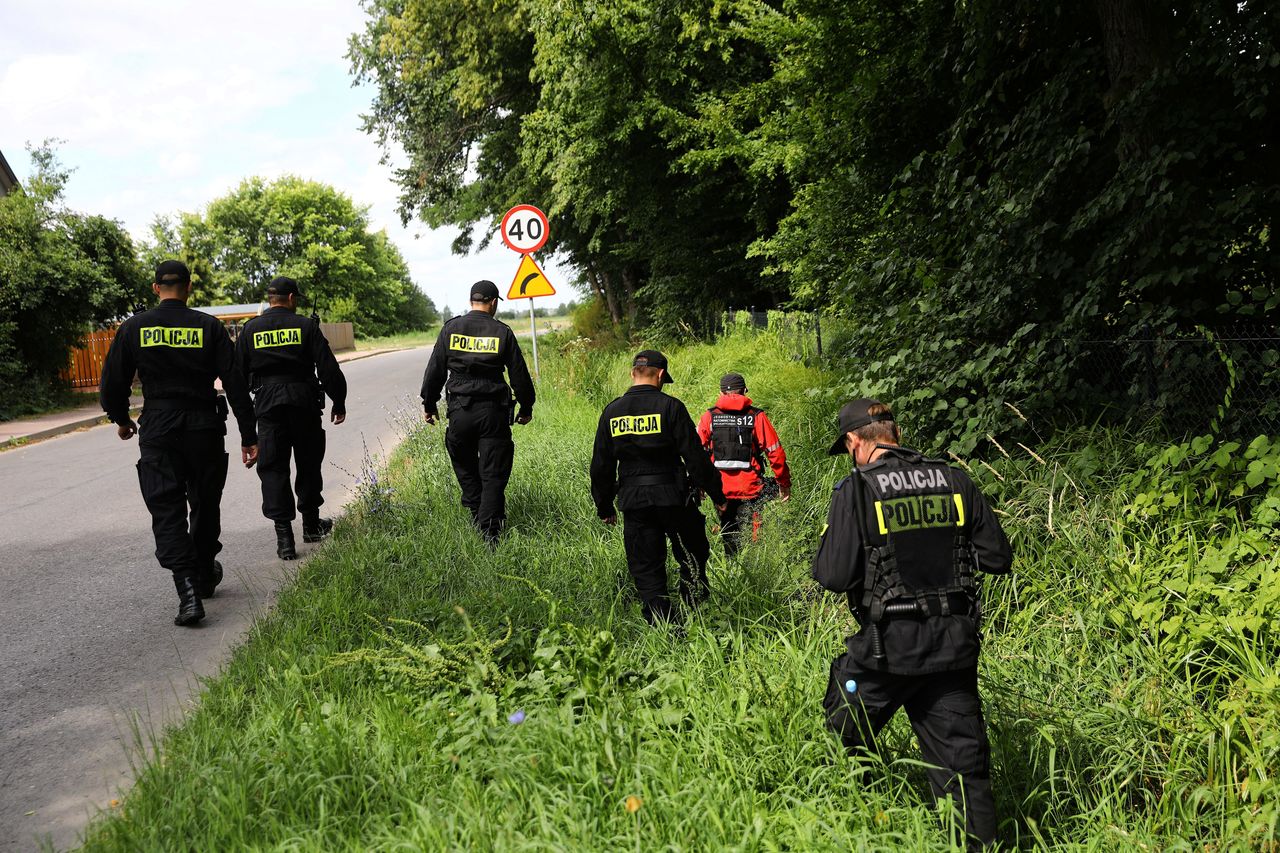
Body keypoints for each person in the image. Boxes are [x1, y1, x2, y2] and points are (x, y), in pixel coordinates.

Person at [813, 398, 1012, 849]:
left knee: (838, 736)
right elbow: (997, 557)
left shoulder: (857, 490)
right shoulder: (955, 480)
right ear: (895, 434)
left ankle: (849, 823)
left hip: (885, 653)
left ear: (853, 442)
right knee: (964, 775)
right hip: (951, 652)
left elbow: (833, 575)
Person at [99, 260, 258, 627]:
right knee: (205, 502)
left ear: (156, 288)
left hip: (159, 426)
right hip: (203, 425)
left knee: (167, 509)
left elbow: (112, 384)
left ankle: (187, 590)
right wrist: (249, 436)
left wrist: (122, 420)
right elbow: (235, 383)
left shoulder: (134, 328)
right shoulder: (209, 326)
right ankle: (203, 572)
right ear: (188, 287)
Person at [590, 350, 728, 624]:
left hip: (634, 500)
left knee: (646, 566)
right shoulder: (671, 407)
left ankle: (661, 623)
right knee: (692, 555)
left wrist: (604, 506)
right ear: (661, 375)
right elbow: (695, 457)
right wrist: (717, 494)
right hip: (674, 497)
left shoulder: (612, 412)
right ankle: (696, 611)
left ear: (632, 373)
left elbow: (601, 466)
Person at [235, 276, 348, 560]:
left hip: (268, 406)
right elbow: (327, 367)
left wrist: (247, 430)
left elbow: (236, 379)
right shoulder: (306, 326)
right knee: (308, 464)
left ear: (270, 298)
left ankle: (284, 538)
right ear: (292, 299)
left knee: (273, 468)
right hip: (303, 403)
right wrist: (339, 401)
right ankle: (310, 525)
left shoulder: (250, 329)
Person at [420, 280, 535, 545]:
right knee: (493, 472)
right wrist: (526, 407)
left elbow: (435, 371)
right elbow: (519, 376)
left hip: (460, 412)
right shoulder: (501, 332)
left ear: (472, 300)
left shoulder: (451, 329)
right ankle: (490, 532)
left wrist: (429, 405)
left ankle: (476, 512)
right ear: (493, 303)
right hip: (493, 413)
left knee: (464, 463)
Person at [696, 372, 792, 557]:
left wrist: (701, 484)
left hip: (720, 489)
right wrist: (784, 483)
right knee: (753, 536)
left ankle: (733, 572)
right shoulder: (756, 416)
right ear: (745, 391)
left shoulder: (709, 417)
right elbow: (776, 453)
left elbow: (697, 454)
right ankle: (755, 564)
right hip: (751, 488)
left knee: (729, 533)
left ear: (721, 393)